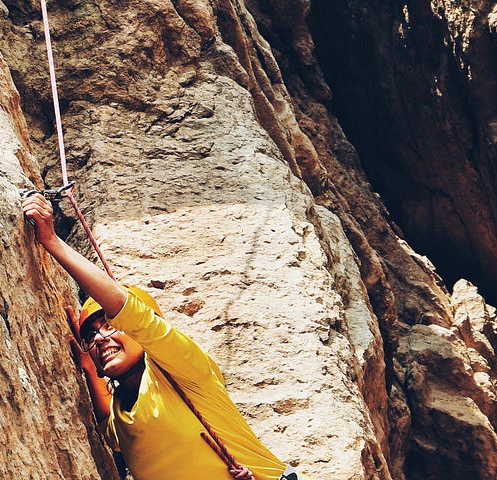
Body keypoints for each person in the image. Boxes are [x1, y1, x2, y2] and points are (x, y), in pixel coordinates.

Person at [21, 194, 299, 480]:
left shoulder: (185, 370)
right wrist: (89, 368)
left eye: (110, 325)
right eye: (92, 335)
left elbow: (129, 312)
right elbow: (109, 426)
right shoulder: (122, 411)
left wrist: (51, 240)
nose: (101, 338)